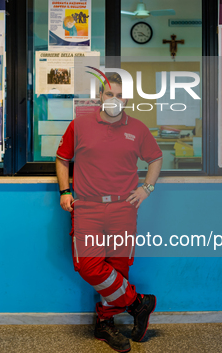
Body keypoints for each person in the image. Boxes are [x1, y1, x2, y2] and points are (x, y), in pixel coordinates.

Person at [56, 72, 163, 352]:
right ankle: (139, 304)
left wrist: (147, 189)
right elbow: (62, 159)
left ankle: (105, 325)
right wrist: (65, 191)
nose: (113, 100)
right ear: (100, 96)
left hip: (123, 208)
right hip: (88, 207)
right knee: (88, 265)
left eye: (119, 95)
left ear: (126, 98)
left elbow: (155, 158)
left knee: (118, 267)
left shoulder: (138, 129)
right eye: (108, 94)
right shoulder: (79, 125)